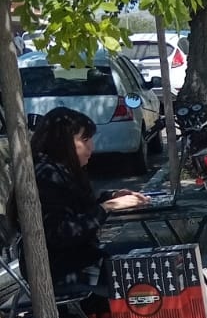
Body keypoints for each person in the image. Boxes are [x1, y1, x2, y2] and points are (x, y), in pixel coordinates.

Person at [29, 108, 148, 286]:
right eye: (85, 140)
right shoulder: (46, 176)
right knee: (148, 265)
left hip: (77, 259)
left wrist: (110, 198)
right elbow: (62, 232)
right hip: (62, 268)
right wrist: (107, 207)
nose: (91, 146)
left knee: (147, 253)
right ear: (62, 142)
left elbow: (79, 212)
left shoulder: (62, 170)